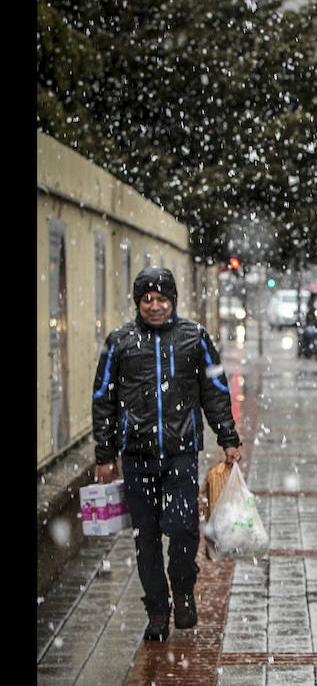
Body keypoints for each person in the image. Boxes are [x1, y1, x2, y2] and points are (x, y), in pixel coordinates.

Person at [92, 266, 242, 641]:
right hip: (136, 456)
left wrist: (228, 437)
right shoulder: (120, 342)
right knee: (145, 538)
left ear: (173, 301)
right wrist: (104, 455)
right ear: (138, 303)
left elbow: (215, 389)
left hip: (180, 454)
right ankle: (158, 610)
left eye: (161, 299)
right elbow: (103, 400)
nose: (155, 306)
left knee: (182, 528)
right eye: (147, 299)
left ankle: (183, 590)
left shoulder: (194, 337)